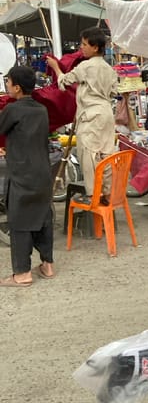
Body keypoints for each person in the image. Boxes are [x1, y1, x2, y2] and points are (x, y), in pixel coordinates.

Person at [46, 27, 118, 202]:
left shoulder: (86, 66)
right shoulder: (109, 69)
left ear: (95, 47)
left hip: (91, 115)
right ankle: (108, 192)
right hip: (106, 114)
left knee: (89, 155)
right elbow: (114, 92)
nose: (81, 48)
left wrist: (56, 67)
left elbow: (64, 81)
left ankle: (94, 194)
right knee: (106, 154)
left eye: (84, 44)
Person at [0, 65, 55, 286]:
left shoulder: (13, 110)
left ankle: (22, 274)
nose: (6, 85)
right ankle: (47, 265)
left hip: (23, 174)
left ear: (17, 87)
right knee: (43, 218)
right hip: (42, 171)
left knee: (20, 222)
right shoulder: (41, 109)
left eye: (8, 81)